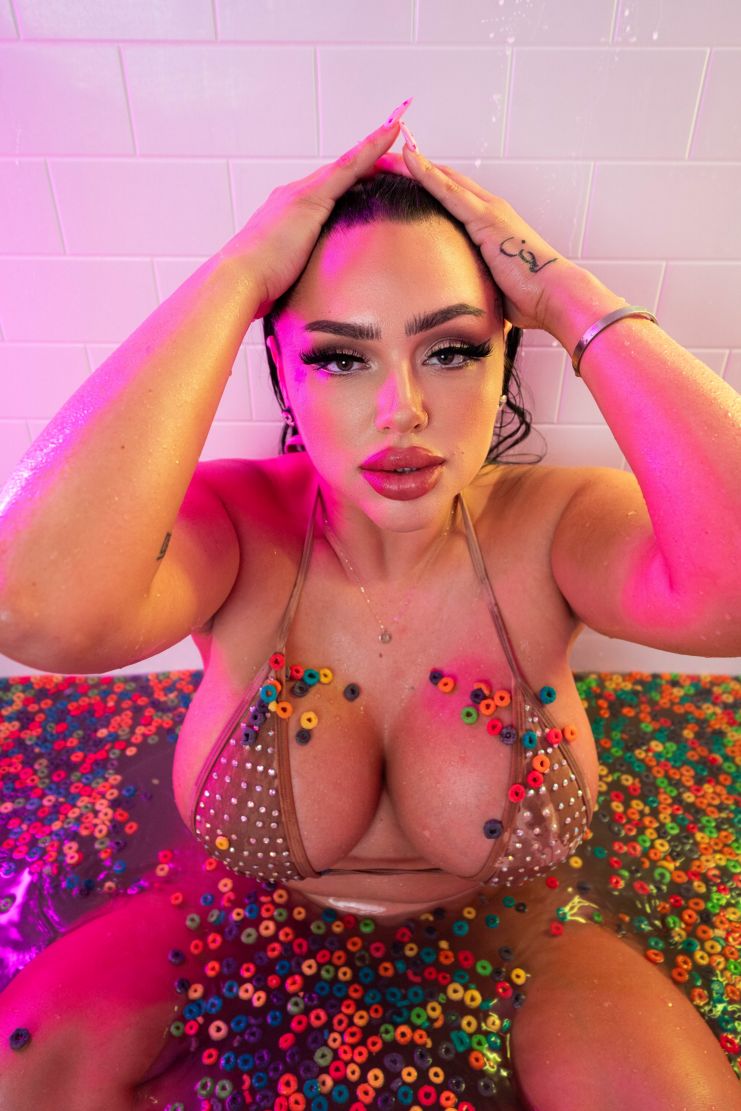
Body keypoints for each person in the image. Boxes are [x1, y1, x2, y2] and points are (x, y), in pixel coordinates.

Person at [0, 99, 739, 1110]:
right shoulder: (231, 527)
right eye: (341, 357)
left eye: (452, 349)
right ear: (283, 372)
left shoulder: (558, 524)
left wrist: (566, 297)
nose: (404, 409)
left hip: (522, 935)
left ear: (506, 357)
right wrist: (236, 277)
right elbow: (37, 608)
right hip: (236, 917)